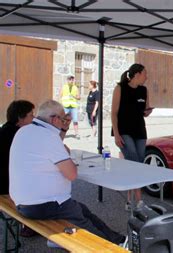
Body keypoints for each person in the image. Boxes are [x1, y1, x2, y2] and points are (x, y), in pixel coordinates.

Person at [9, 100, 126, 248]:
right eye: (63, 119)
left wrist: (64, 130)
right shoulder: (48, 137)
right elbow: (71, 174)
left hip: (22, 201)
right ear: (54, 119)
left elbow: (55, 148)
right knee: (84, 223)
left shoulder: (24, 130)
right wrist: (67, 157)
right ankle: (111, 248)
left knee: (82, 209)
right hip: (43, 204)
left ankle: (119, 240)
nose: (65, 121)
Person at [111, 64, 153, 211]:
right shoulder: (120, 88)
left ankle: (129, 200)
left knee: (135, 164)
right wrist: (116, 133)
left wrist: (148, 112)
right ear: (137, 74)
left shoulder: (144, 90)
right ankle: (140, 201)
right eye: (145, 74)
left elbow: (144, 111)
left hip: (140, 131)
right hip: (123, 131)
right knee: (135, 163)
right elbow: (114, 112)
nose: (146, 77)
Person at [0, 100, 37, 237]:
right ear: (20, 118)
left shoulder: (5, 130)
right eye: (31, 115)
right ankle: (32, 223)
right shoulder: (19, 135)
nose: (33, 118)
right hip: (6, 187)